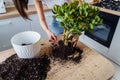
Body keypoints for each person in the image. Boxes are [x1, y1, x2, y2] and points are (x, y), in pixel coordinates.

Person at [13, 0, 82, 43]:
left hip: (73, 20)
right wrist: (48, 31)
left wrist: (76, 30)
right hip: (57, 20)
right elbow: (42, 19)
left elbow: (79, 6)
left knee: (72, 42)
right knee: (58, 42)